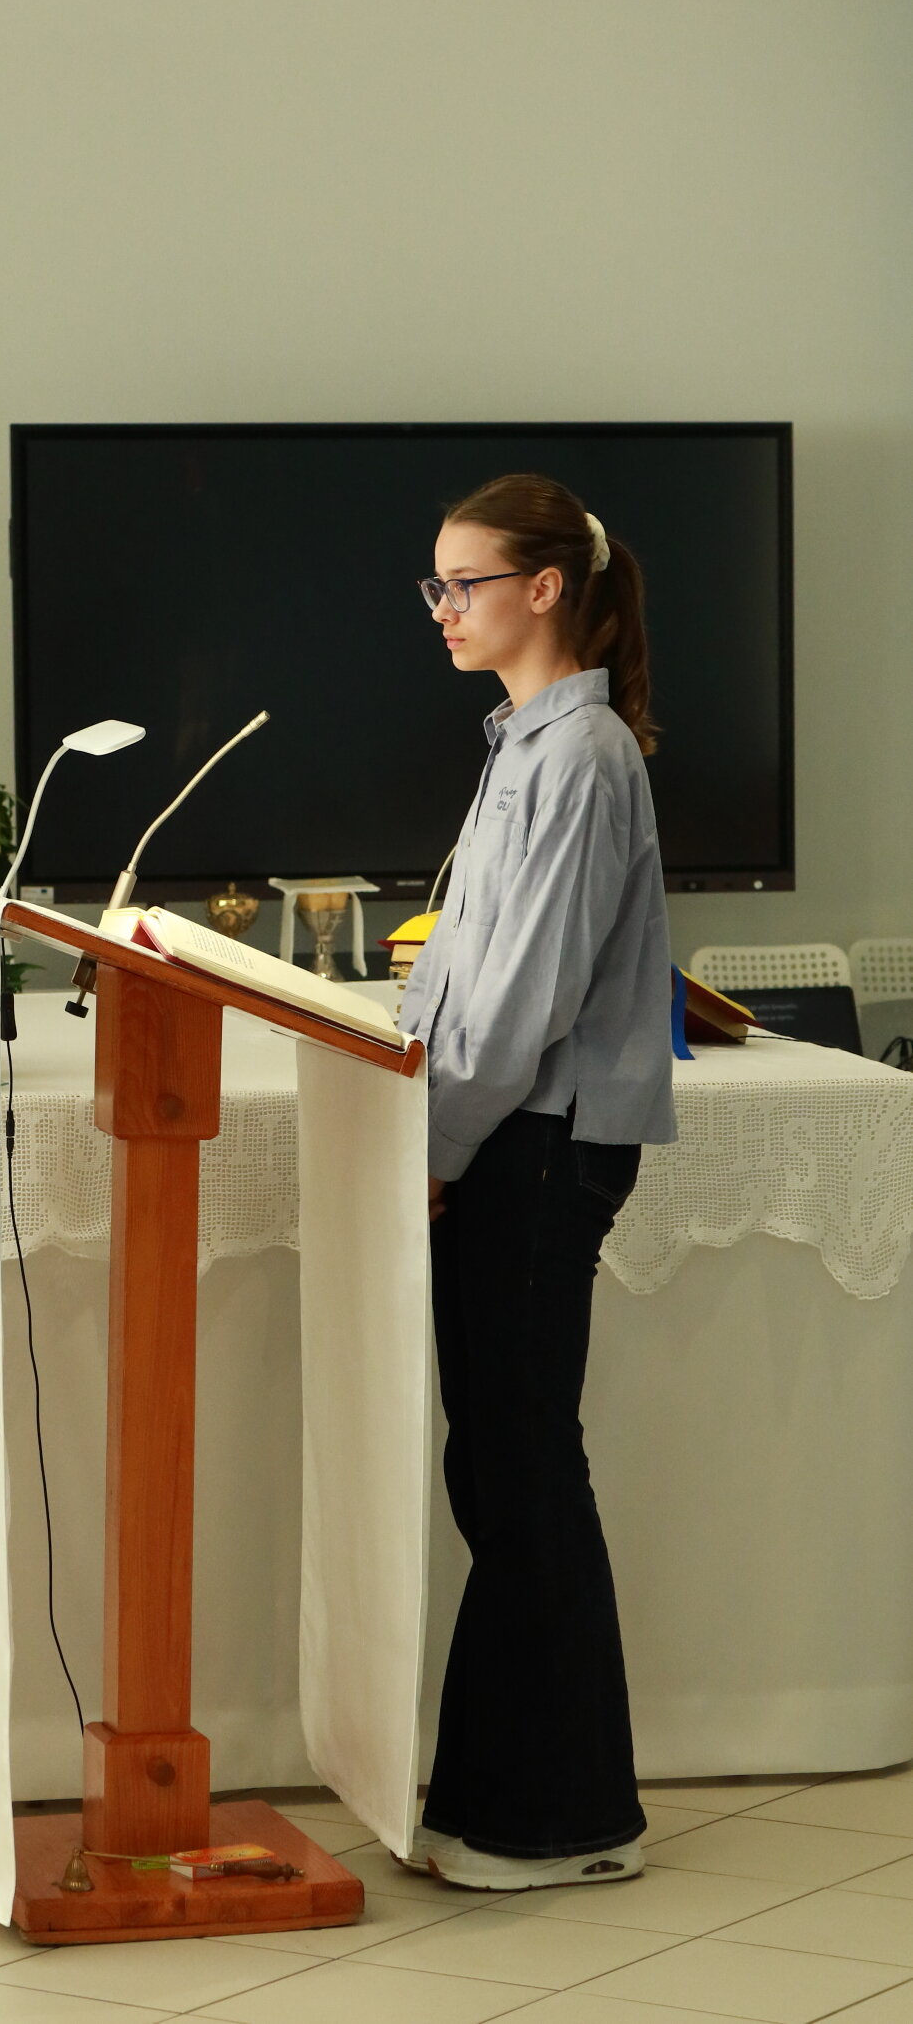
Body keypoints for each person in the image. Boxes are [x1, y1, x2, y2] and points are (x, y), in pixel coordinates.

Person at [398, 473, 676, 1892]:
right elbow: (463, 965)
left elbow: (522, 1001)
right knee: (498, 1464)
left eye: (465, 584)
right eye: (436, 587)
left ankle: (562, 1819)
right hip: (503, 1131)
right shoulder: (523, 744)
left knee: (520, 1466)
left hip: (539, 1139)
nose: (443, 610)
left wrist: (431, 1148)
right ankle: (509, 1799)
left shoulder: (580, 759)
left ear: (546, 587)